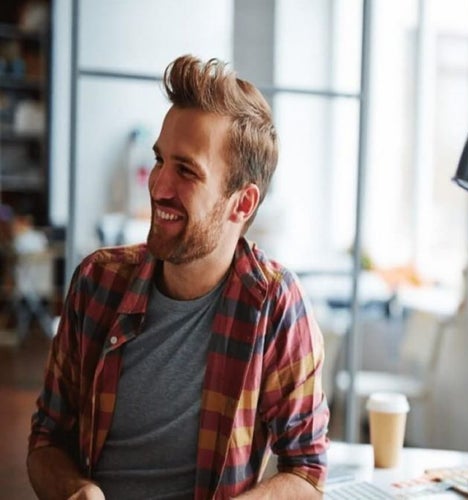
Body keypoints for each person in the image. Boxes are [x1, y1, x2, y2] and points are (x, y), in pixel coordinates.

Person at [27, 55, 329, 499]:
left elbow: (306, 470)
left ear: (242, 204)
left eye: (186, 170)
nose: (157, 184)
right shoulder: (97, 282)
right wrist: (76, 491)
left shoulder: (274, 305)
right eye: (159, 159)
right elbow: (45, 439)